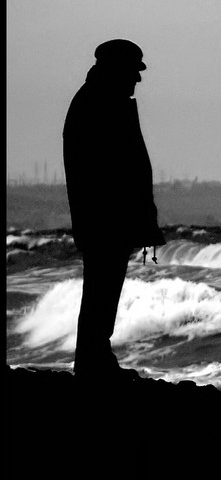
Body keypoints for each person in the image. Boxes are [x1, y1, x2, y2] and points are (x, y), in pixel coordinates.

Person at [63, 39, 166, 382]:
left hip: (105, 219)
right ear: (118, 69)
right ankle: (93, 361)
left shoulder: (97, 100)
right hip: (105, 220)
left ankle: (94, 357)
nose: (137, 80)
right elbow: (112, 170)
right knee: (101, 290)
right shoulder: (99, 103)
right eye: (133, 72)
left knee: (101, 290)